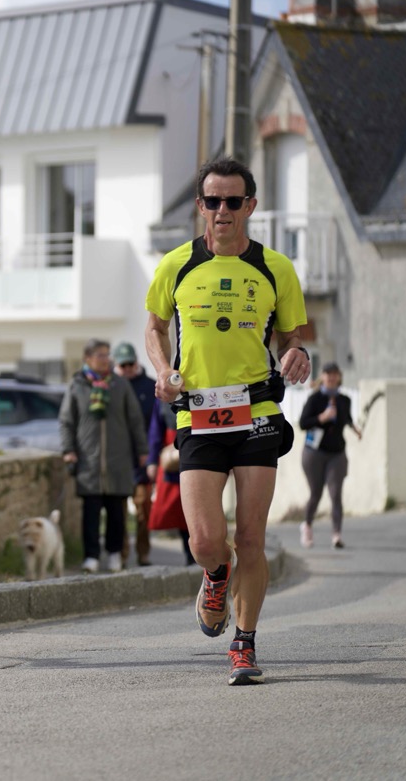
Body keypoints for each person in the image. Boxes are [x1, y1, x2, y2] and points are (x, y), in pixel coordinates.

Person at [145, 156, 311, 686]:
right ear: (200, 206)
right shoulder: (176, 265)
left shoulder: (276, 268)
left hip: (257, 410)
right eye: (213, 201)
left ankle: (244, 643)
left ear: (250, 206)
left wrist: (297, 352)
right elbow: (154, 327)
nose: (222, 210)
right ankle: (215, 574)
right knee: (204, 539)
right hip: (198, 413)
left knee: (252, 537)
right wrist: (163, 370)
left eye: (233, 201)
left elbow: (292, 335)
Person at [59, 338, 148, 573]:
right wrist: (69, 450)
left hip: (118, 460)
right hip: (89, 461)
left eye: (108, 355)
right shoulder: (77, 385)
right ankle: (91, 556)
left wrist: (142, 450)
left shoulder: (120, 385)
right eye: (101, 355)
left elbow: (135, 420)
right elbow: (66, 421)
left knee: (117, 512)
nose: (106, 359)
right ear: (88, 358)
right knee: (91, 512)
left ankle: (115, 554)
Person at [299, 362, 361, 549]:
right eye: (328, 374)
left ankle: (336, 534)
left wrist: (355, 428)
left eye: (335, 374)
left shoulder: (344, 400)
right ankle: (307, 526)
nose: (332, 377)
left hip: (337, 452)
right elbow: (303, 423)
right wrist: (322, 417)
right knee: (316, 493)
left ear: (339, 377)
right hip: (314, 452)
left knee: (335, 493)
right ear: (323, 377)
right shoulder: (314, 399)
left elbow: (347, 418)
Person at [114, 340, 157, 566]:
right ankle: (121, 554)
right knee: (119, 513)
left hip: (142, 459)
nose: (128, 369)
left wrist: (151, 455)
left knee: (143, 510)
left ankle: (143, 552)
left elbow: (156, 424)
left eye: (131, 364)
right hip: (118, 460)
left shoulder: (150, 387)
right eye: (123, 365)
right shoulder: (110, 387)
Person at [146, 399, 194, 565]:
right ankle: (190, 554)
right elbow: (155, 432)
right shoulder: (162, 400)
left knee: (198, 506)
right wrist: (152, 461)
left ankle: (200, 553)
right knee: (179, 510)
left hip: (198, 450)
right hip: (173, 458)